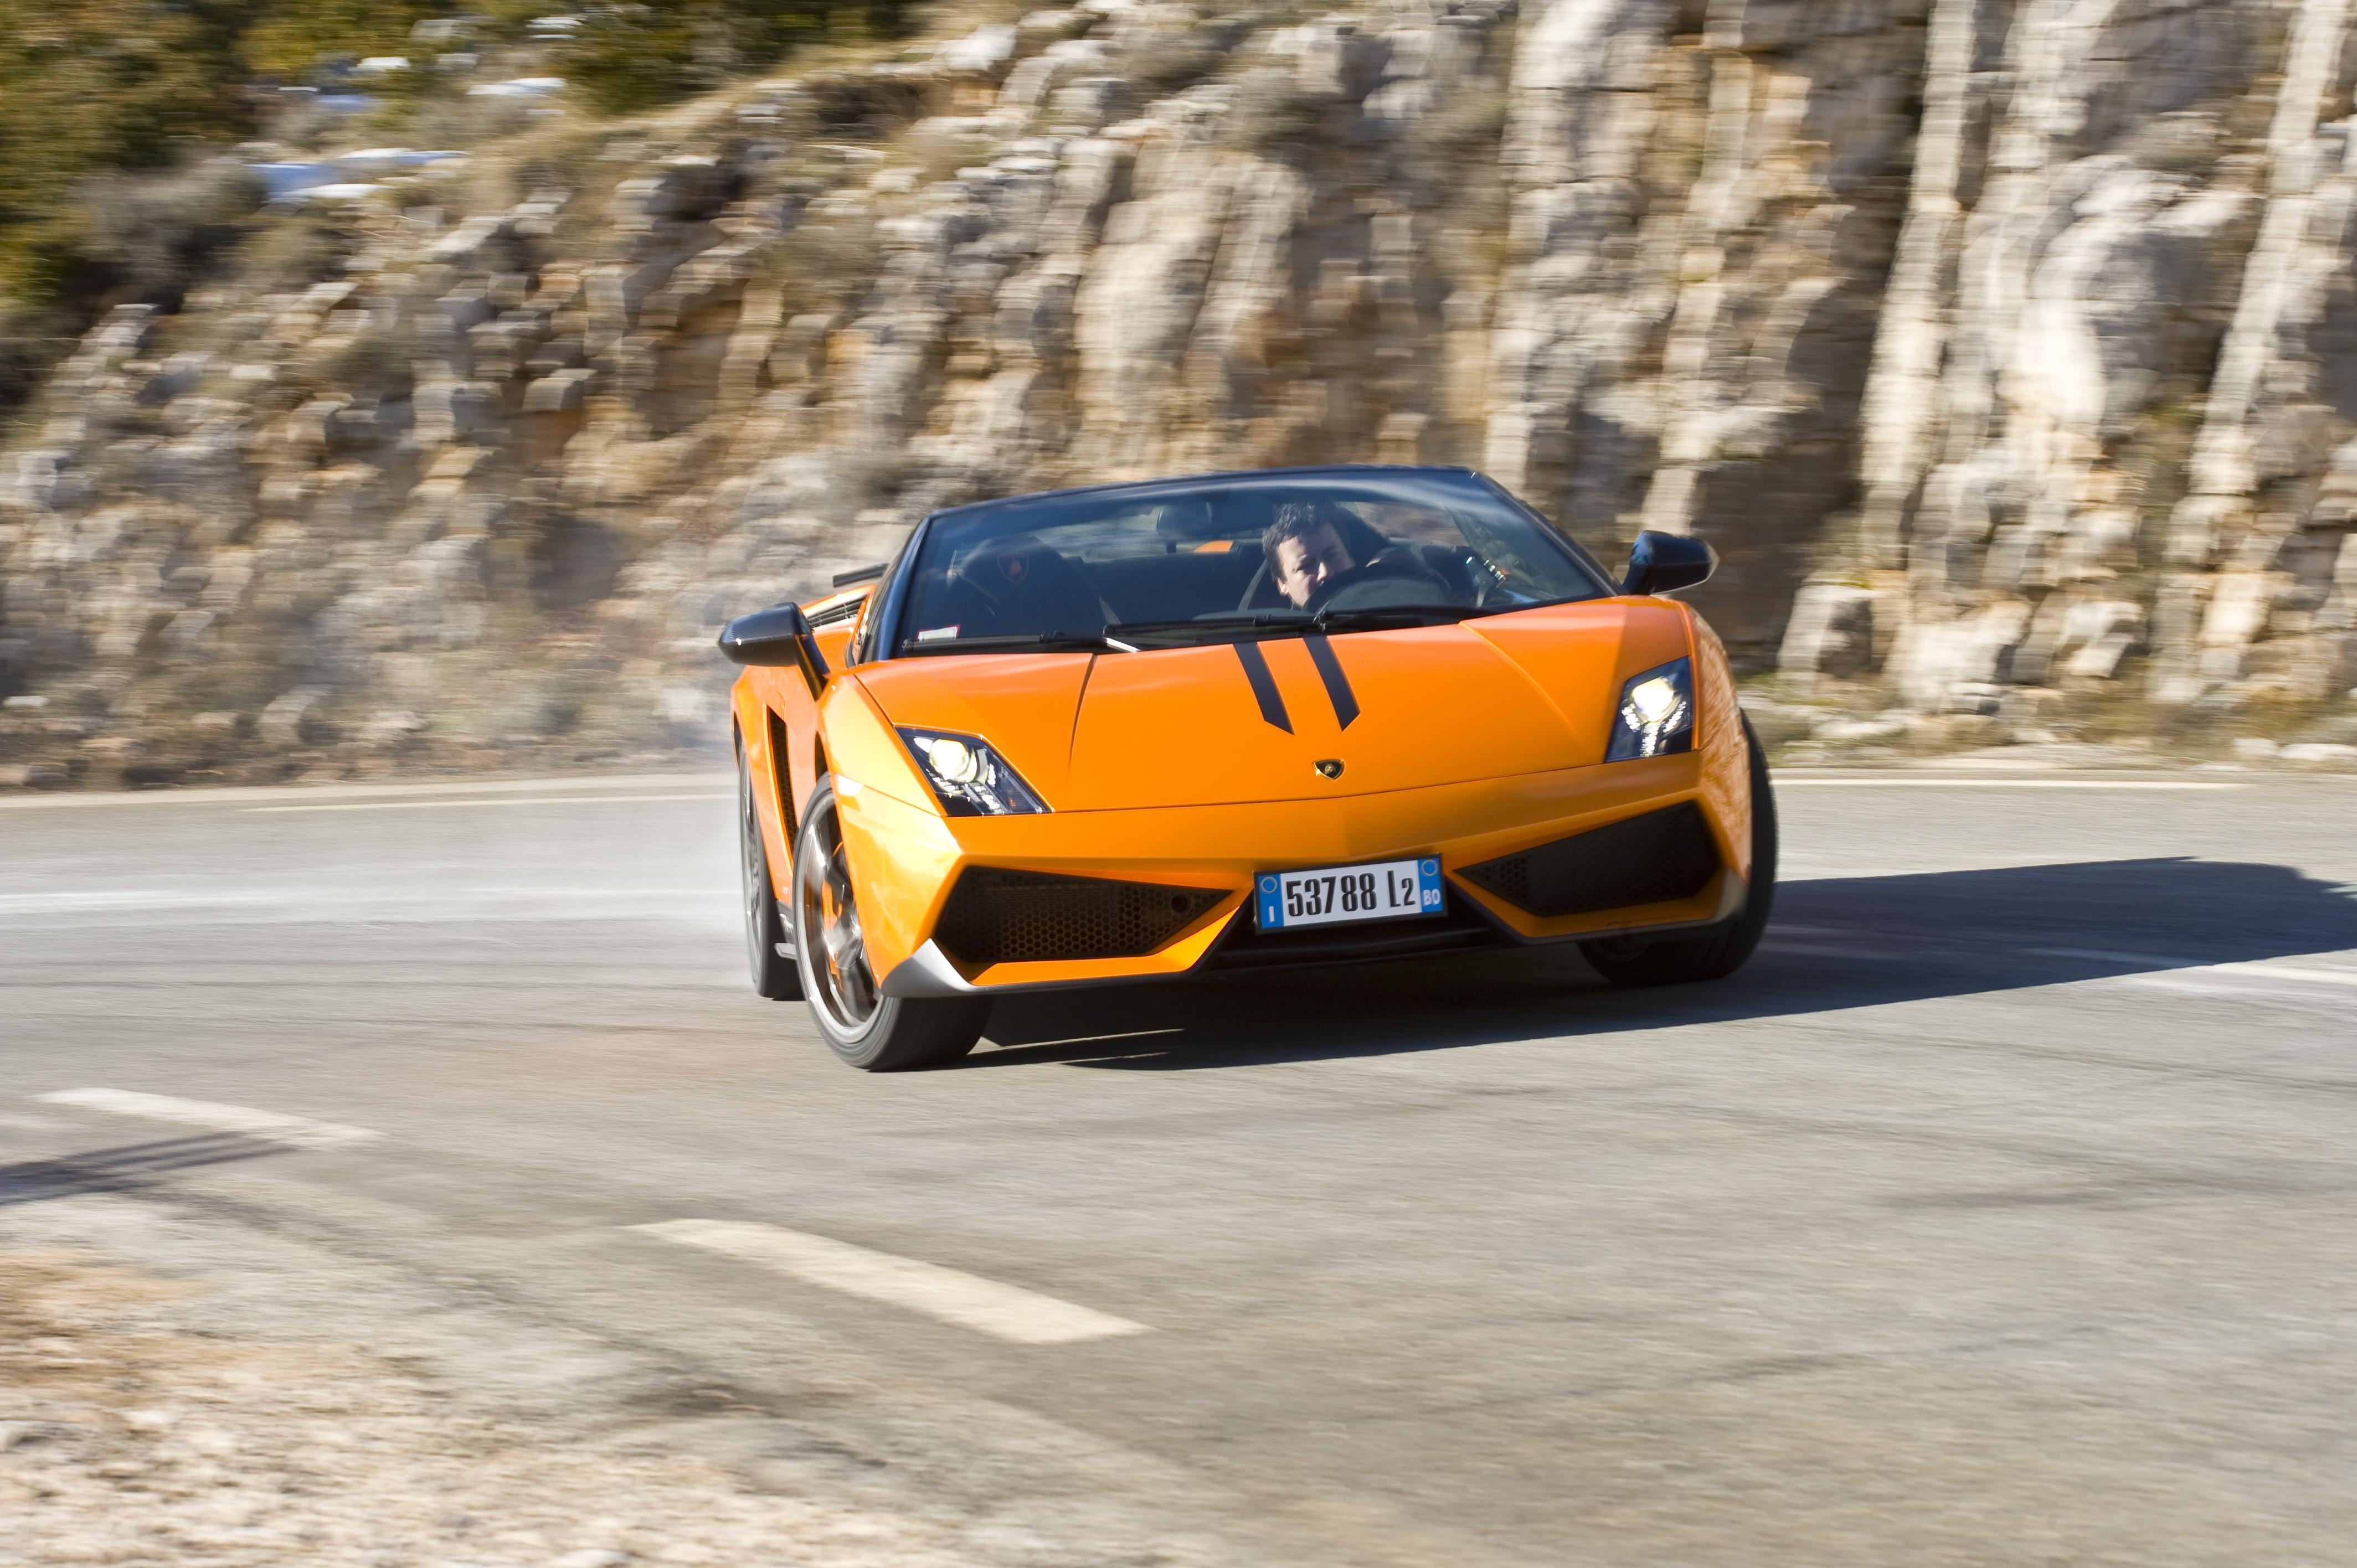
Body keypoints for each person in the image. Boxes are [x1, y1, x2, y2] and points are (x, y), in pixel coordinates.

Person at [1261, 500, 1454, 610]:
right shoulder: (1275, 645)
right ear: (1282, 584)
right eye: (1306, 565)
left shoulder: (1401, 604)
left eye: (1332, 555)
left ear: (1350, 557)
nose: (1325, 572)